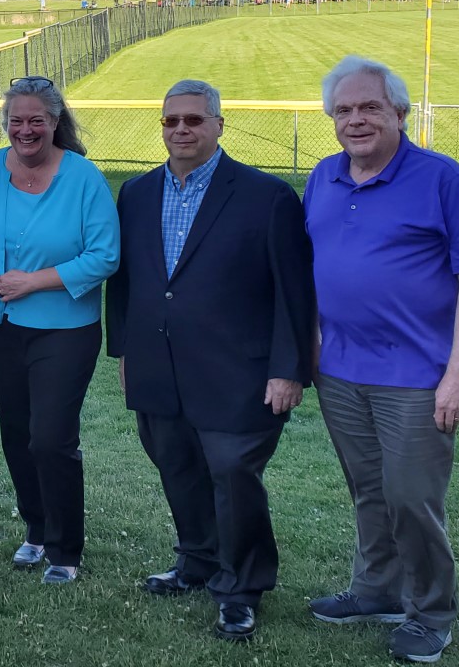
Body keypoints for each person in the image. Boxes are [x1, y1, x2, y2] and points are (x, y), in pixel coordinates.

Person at [104, 79, 315, 642]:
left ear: (219, 124)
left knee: (232, 475)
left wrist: (290, 368)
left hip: (237, 372)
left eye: (194, 120)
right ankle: (197, 560)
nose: (181, 131)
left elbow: (294, 293)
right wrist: (123, 349)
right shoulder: (138, 193)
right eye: (171, 121)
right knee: (176, 466)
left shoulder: (265, 196)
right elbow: (126, 282)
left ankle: (242, 588)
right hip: (158, 366)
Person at [303, 56, 459, 664]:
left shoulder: (443, 179)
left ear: (400, 114)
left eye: (370, 108)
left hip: (417, 376)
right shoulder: (323, 176)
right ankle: (375, 591)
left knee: (411, 497)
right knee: (368, 490)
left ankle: (431, 612)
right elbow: (314, 268)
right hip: (339, 370)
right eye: (344, 110)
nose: (356, 120)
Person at [0, 76, 119, 584]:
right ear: (4, 123)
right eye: (15, 121)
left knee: (51, 438)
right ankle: (36, 528)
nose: (25, 130)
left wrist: (33, 281)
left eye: (36, 120)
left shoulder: (84, 178)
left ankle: (65, 549)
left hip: (65, 329)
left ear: (54, 122)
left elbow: (105, 256)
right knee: (16, 434)